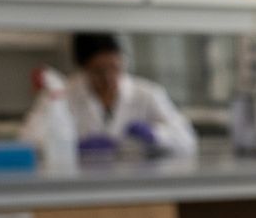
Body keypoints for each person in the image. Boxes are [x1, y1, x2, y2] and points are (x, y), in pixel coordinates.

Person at [21, 32, 197, 158]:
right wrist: (71, 147)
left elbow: (187, 140)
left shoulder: (147, 94)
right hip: (80, 185)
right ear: (83, 68)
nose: (108, 78)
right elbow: (26, 141)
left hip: (137, 183)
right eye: (98, 71)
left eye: (114, 68)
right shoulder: (61, 94)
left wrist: (155, 135)